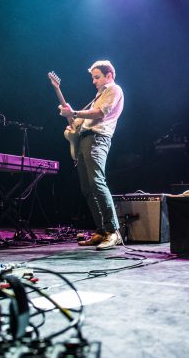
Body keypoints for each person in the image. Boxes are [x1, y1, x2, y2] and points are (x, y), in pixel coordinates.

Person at [56, 60, 124, 251]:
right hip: (86, 139)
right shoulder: (99, 95)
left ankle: (114, 231)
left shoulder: (114, 89)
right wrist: (71, 117)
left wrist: (75, 112)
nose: (94, 81)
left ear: (108, 75)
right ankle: (102, 231)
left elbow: (100, 113)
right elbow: (79, 121)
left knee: (97, 182)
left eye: (97, 77)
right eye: (93, 77)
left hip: (97, 139)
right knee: (87, 188)